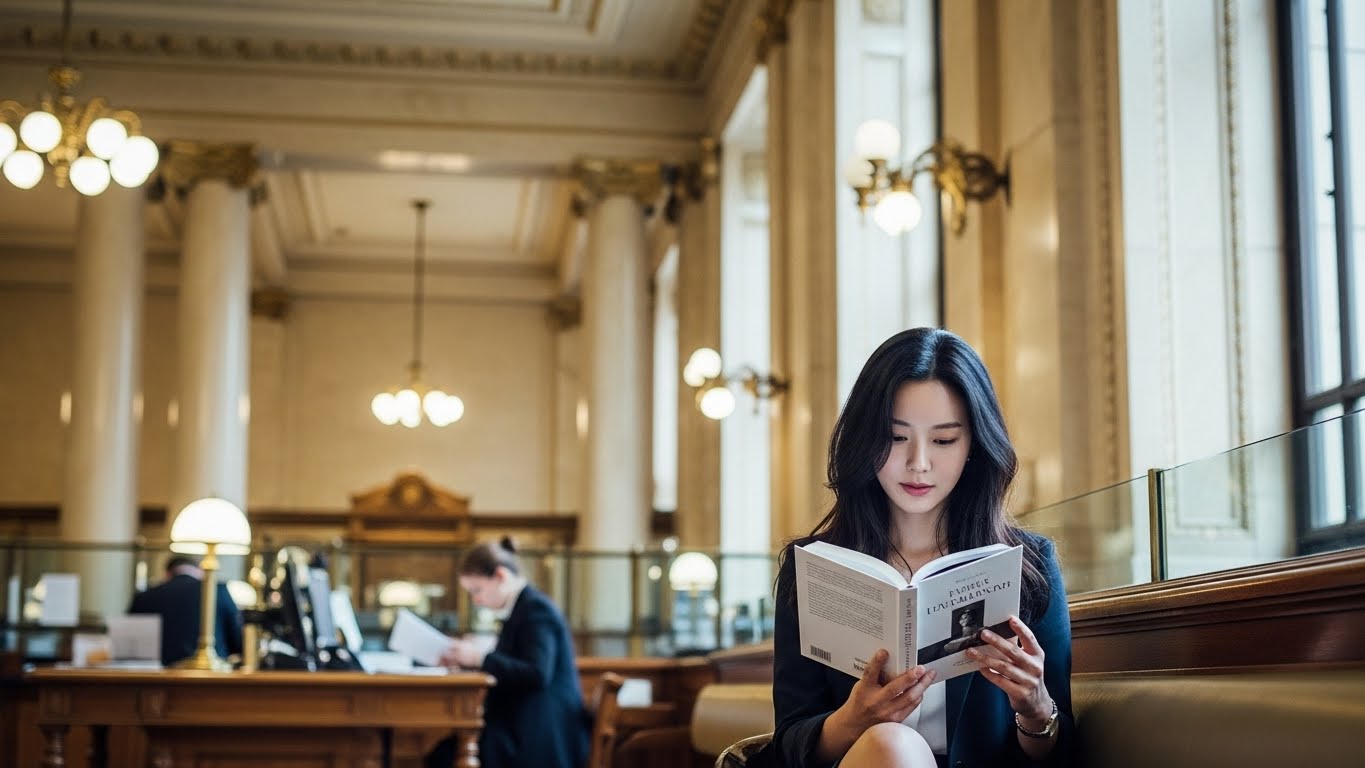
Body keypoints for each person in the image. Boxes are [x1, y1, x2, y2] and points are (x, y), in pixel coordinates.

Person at [772, 327, 1074, 768]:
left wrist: (1035, 707)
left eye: (944, 440)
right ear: (865, 440)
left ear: (974, 444)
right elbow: (789, 745)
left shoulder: (1029, 568)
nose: (919, 463)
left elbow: (1062, 754)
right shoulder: (813, 569)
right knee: (890, 745)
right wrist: (853, 721)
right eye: (896, 437)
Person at [425, 537, 588, 768]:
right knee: (444, 753)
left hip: (542, 731)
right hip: (525, 721)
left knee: (445, 756)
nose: (476, 600)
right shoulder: (523, 608)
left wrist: (478, 658)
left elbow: (537, 673)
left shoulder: (535, 609)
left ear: (500, 576)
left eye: (477, 590)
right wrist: (470, 661)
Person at [128, 555, 244, 667]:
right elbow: (237, 641)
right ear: (199, 571)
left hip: (158, 679)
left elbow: (129, 642)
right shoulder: (218, 591)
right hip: (211, 676)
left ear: (166, 574)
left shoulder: (145, 597)